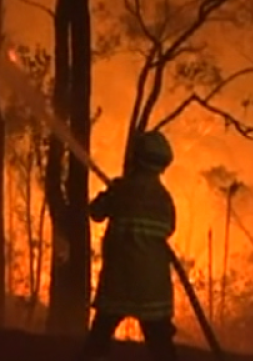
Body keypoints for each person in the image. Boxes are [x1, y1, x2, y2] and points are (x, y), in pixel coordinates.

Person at [78, 130, 178, 361]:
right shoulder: (164, 199)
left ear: (136, 158)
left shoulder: (120, 190)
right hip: (152, 286)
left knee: (99, 336)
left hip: (119, 281)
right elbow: (169, 228)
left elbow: (95, 212)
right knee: (160, 343)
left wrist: (110, 193)